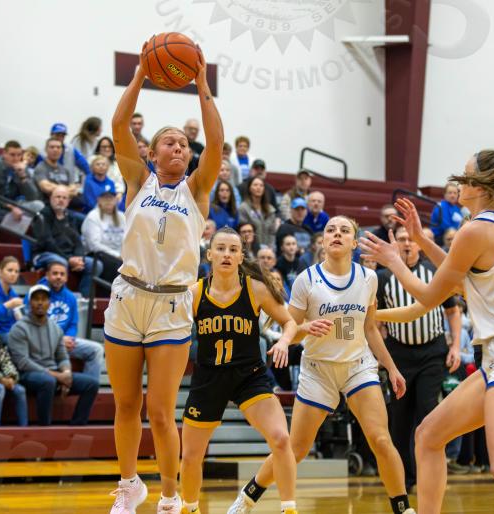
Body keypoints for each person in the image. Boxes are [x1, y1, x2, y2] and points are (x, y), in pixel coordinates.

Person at [359, 149, 494, 513]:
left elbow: (429, 296)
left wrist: (395, 260)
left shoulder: (475, 231)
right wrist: (421, 240)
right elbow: (457, 275)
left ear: (481, 187)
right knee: (429, 436)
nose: (458, 183)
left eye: (466, 176)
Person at [105, 44, 222, 513]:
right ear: (152, 153)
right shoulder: (137, 180)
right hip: (128, 297)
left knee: (159, 410)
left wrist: (202, 85)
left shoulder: (198, 189)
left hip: (172, 304)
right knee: (126, 404)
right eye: (170, 142)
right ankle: (129, 485)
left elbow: (216, 143)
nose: (179, 147)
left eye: (184, 144)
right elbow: (119, 127)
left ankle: (170, 495)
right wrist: (138, 76)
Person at [231, 215, 412, 514]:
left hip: (357, 366)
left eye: (344, 230)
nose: (337, 234)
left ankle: (404, 509)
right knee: (296, 449)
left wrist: (391, 368)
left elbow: (369, 328)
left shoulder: (369, 278)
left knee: (381, 439)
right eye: (331, 230)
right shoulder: (307, 279)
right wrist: (305, 328)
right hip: (318, 370)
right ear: (323, 241)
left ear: (354, 242)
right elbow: (289, 329)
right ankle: (248, 497)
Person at [180, 228, 300, 514]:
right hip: (209, 378)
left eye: (233, 250)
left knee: (282, 439)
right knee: (191, 455)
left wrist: (284, 342)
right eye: (221, 249)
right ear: (209, 254)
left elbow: (290, 322)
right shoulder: (194, 293)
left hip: (249, 376)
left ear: (241, 256)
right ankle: (189, 508)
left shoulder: (255, 289)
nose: (226, 254)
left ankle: (289, 509)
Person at [375, 220, 462, 491]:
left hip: (431, 353)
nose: (407, 243)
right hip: (399, 354)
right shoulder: (383, 277)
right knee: (400, 420)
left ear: (419, 245)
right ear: (395, 244)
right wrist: (378, 354)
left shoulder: (434, 271)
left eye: (411, 239)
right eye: (402, 239)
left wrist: (456, 346)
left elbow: (453, 311)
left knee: (428, 414)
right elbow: (374, 321)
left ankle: (430, 476)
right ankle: (406, 479)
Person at [8, 284, 99, 426]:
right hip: (27, 375)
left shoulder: (55, 328)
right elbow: (23, 362)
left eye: (44, 299)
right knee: (48, 381)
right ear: (29, 303)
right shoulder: (19, 328)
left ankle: (77, 425)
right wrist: (57, 376)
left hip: (53, 374)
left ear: (49, 303)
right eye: (36, 299)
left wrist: (66, 373)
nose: (40, 303)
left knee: (91, 384)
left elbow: (62, 356)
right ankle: (44, 427)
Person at [40, 261, 105, 382]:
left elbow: (73, 324)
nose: (59, 276)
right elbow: (34, 325)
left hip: (65, 341)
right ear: (47, 275)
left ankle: (89, 387)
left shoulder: (70, 297)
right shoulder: (37, 295)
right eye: (55, 273)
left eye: (62, 274)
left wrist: (69, 338)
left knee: (97, 350)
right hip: (43, 342)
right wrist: (59, 341)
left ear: (66, 278)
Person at [31, 185, 100, 297]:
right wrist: (68, 259)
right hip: (43, 254)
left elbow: (77, 240)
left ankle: (84, 299)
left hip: (68, 256)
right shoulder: (42, 216)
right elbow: (48, 243)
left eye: (64, 198)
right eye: (58, 197)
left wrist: (78, 258)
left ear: (68, 201)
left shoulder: (70, 217)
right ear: (51, 198)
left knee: (95, 265)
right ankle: (59, 298)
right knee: (60, 263)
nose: (61, 200)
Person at [0, 140, 44, 240]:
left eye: (19, 155)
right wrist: (10, 206)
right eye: (12, 155)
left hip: (9, 206)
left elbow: (33, 196)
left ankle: (37, 244)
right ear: (4, 154)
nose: (16, 158)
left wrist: (22, 176)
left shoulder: (21, 168)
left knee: (38, 205)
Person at [81, 187, 125, 286]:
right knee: (115, 264)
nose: (108, 201)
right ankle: (109, 293)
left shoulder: (122, 217)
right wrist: (117, 255)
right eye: (105, 198)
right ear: (99, 200)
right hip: (97, 255)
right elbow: (94, 245)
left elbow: (128, 240)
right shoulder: (93, 217)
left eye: (111, 198)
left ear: (116, 200)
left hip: (119, 255)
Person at [238, 176, 278, 249]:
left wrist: (270, 248)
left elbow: (272, 233)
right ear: (249, 188)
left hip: (268, 249)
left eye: (261, 185)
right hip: (250, 249)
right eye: (255, 185)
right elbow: (244, 232)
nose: (258, 187)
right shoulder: (243, 208)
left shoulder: (271, 209)